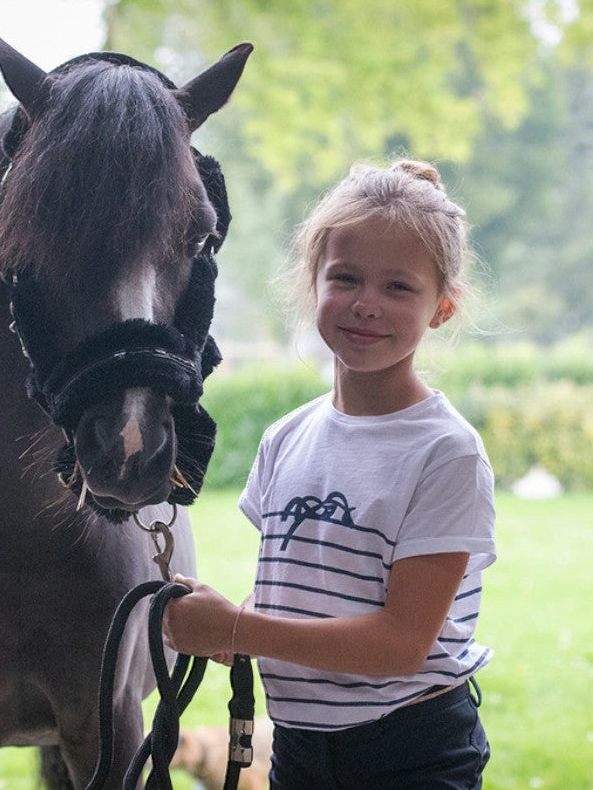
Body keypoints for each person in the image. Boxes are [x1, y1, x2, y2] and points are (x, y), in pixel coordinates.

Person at [163, 159, 496, 789]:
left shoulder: (445, 453)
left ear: (442, 308)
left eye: (399, 288)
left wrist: (239, 627)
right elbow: (303, 591)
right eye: (345, 278)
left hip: (410, 753)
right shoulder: (284, 438)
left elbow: (400, 646)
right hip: (299, 752)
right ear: (311, 281)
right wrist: (225, 629)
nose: (367, 304)